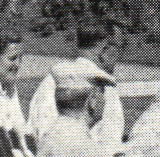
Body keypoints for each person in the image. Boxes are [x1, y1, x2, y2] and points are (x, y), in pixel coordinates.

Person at [26, 19, 127, 150]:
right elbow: (111, 144)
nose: (120, 56)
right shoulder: (104, 87)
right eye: (120, 47)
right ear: (104, 50)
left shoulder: (53, 81)